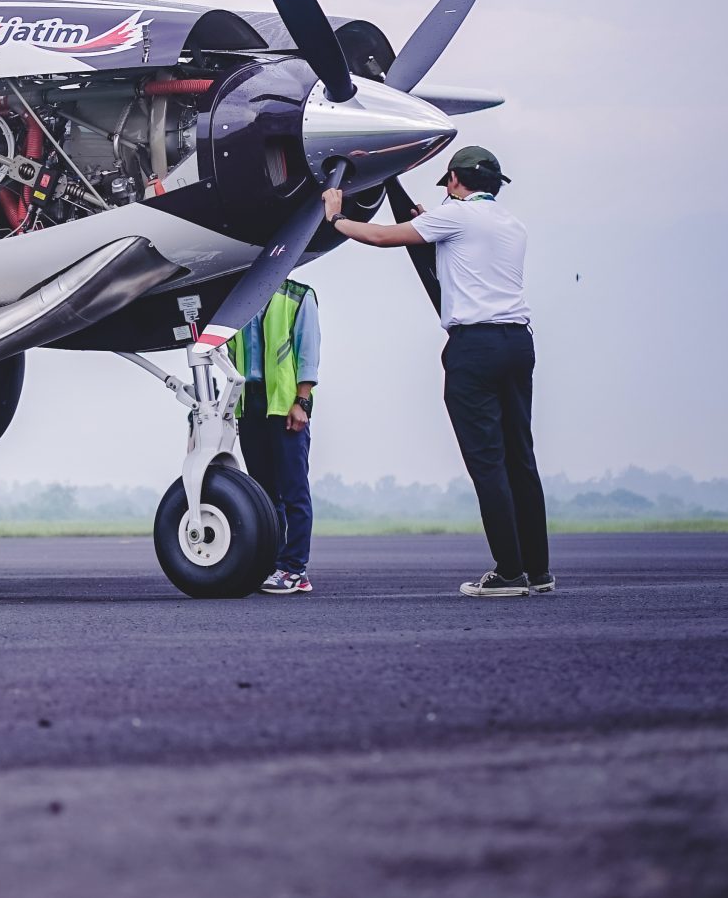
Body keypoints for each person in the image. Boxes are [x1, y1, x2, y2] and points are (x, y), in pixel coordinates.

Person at [325, 145, 551, 598]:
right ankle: (537, 569)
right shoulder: (511, 224)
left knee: (487, 462)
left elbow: (382, 237)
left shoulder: (456, 217)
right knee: (520, 459)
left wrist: (336, 218)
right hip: (518, 343)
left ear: (454, 180)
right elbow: (466, 255)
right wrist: (429, 222)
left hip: (475, 348)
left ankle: (509, 572)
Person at [230, 279, 319, 594]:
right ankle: (274, 566)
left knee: (294, 491)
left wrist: (302, 402)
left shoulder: (298, 296)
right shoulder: (238, 296)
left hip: (284, 405)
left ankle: (295, 569)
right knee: (265, 496)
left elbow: (308, 351)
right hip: (249, 405)